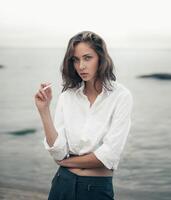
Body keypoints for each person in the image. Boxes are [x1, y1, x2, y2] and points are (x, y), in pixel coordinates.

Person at [34, 31, 133, 200]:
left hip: (96, 189)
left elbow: (108, 155)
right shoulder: (68, 96)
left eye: (87, 58)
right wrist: (44, 111)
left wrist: (66, 162)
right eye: (75, 60)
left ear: (101, 58)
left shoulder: (121, 96)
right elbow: (58, 152)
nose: (81, 66)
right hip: (62, 183)